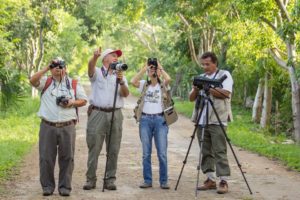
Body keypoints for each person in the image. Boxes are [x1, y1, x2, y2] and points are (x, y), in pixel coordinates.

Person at [29, 57, 88, 196]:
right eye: (54, 65)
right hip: (47, 125)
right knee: (46, 158)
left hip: (67, 126)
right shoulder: (46, 81)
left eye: (60, 65)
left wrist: (71, 103)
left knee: (68, 157)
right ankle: (47, 187)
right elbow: (32, 81)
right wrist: (46, 68)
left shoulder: (73, 83)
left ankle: (65, 187)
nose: (57, 68)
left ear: (65, 68)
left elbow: (84, 100)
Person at [83, 48, 129, 191]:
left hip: (115, 114)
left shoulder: (119, 74)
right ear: (105, 58)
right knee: (94, 147)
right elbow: (90, 68)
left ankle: (110, 179)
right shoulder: (97, 72)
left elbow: (126, 94)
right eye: (113, 55)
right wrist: (94, 57)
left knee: (113, 148)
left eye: (117, 56)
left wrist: (121, 81)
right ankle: (90, 179)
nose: (116, 57)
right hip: (98, 113)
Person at [189, 52, 233, 194]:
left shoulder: (224, 75)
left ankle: (224, 181)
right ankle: (210, 179)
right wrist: (196, 88)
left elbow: (226, 93)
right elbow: (191, 98)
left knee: (219, 150)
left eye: (208, 64)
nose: (205, 67)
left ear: (215, 63)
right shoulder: (201, 78)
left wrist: (209, 89)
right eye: (203, 64)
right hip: (201, 120)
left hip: (217, 119)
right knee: (205, 150)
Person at [131, 58, 172, 189]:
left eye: (155, 69)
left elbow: (169, 79)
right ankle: (147, 180)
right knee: (146, 153)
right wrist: (145, 68)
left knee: (162, 153)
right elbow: (133, 81)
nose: (152, 71)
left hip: (160, 120)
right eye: (151, 69)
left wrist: (160, 67)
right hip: (145, 120)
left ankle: (164, 181)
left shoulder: (163, 85)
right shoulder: (144, 84)